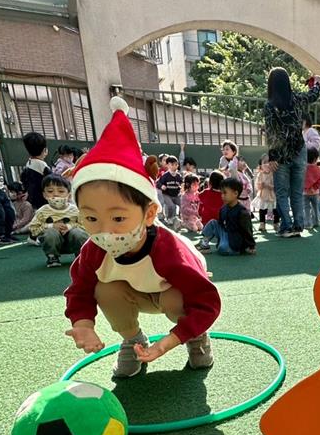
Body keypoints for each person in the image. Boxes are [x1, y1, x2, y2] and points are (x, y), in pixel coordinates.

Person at [64, 98, 220, 378]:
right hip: (133, 294)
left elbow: (207, 302)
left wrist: (169, 341)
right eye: (91, 218)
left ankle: (195, 337)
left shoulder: (169, 251)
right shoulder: (94, 250)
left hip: (171, 294)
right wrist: (83, 323)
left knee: (176, 298)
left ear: (149, 214)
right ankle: (132, 339)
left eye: (118, 218)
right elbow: (80, 289)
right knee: (105, 289)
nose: (105, 230)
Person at [264, 67, 320, 238]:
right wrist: (317, 83)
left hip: (281, 153)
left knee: (282, 192)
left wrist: (272, 157)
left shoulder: (270, 105)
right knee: (297, 191)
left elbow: (271, 133)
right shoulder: (296, 98)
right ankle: (298, 225)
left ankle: (286, 227)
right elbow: (313, 96)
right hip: (299, 149)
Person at [29, 173, 88, 268]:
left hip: (73, 241)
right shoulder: (42, 211)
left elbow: (86, 226)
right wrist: (50, 226)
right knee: (50, 232)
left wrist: (70, 226)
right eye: (50, 191)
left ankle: (81, 255)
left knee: (78, 232)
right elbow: (33, 229)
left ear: (69, 195)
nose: (56, 194)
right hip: (52, 243)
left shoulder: (75, 210)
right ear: (44, 195)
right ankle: (52, 257)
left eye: (61, 191)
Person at [197, 176, 256, 255]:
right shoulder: (223, 208)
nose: (222, 195)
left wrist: (251, 246)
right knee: (213, 223)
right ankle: (204, 245)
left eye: (225, 193)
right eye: (221, 193)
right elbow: (220, 224)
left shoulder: (242, 212)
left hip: (235, 239)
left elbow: (247, 230)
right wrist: (221, 238)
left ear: (235, 193)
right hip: (225, 233)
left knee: (223, 248)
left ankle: (235, 248)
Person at [21, 131, 52, 209]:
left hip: (32, 198)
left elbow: (23, 178)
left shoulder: (29, 163)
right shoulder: (42, 165)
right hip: (43, 199)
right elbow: (51, 180)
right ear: (45, 150)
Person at [252, 156, 279, 233]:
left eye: (269, 162)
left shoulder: (274, 174)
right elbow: (257, 186)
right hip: (263, 195)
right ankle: (262, 224)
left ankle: (276, 223)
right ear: (261, 166)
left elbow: (276, 186)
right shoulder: (260, 174)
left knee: (276, 210)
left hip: (272, 195)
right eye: (264, 163)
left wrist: (269, 186)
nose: (267, 164)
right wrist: (261, 185)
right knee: (262, 210)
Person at [156, 155, 182, 227]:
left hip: (176, 195)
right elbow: (158, 183)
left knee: (182, 204)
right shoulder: (165, 175)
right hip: (167, 195)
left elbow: (182, 183)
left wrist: (182, 187)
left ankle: (182, 218)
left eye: (176, 165)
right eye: (172, 165)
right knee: (171, 206)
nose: (174, 166)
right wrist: (162, 186)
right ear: (167, 165)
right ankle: (169, 218)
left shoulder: (178, 176)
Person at [304, 147, 320, 229]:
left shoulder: (303, 168)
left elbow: (300, 179)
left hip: (305, 193)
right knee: (316, 208)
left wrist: (307, 188)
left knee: (306, 208)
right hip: (315, 193)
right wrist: (315, 187)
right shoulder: (318, 169)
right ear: (316, 158)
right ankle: (316, 222)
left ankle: (307, 223)